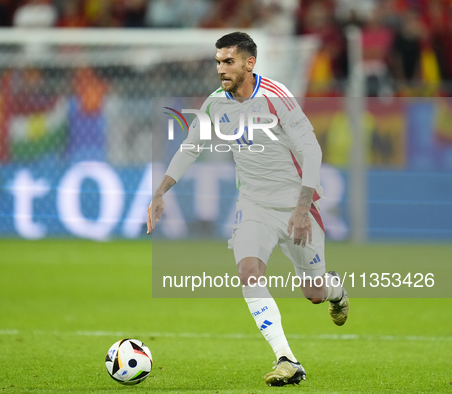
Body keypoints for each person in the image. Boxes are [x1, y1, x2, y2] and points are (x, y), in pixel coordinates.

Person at [146, 32, 350, 387]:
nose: (221, 69)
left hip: (295, 205)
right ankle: (287, 359)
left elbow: (312, 153)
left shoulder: (276, 97)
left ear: (249, 63)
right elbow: (190, 147)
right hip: (253, 206)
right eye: (218, 62)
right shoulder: (214, 103)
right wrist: (161, 191)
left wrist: (302, 210)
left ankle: (338, 293)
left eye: (228, 62)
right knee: (249, 272)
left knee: (314, 292)